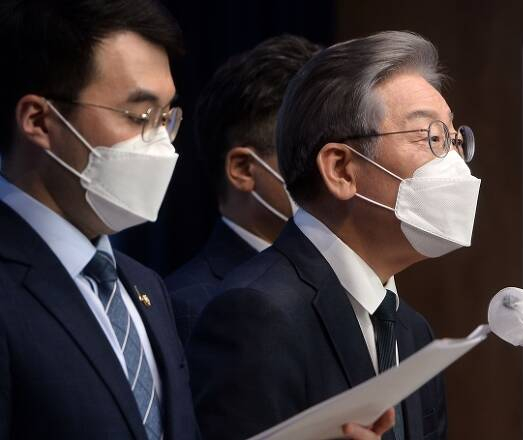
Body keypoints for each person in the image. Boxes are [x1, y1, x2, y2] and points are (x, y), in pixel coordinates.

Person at [188, 30, 481, 440]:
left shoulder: (413, 331)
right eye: (431, 138)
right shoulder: (256, 313)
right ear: (341, 169)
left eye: (454, 140)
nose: (454, 164)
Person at [0, 1, 199, 439]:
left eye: (166, 118)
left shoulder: (145, 285)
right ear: (39, 121)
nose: (160, 143)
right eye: (140, 116)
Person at [166, 35, 320, 345]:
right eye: (313, 150)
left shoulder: (354, 285)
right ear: (244, 169)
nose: (338, 172)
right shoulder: (190, 307)